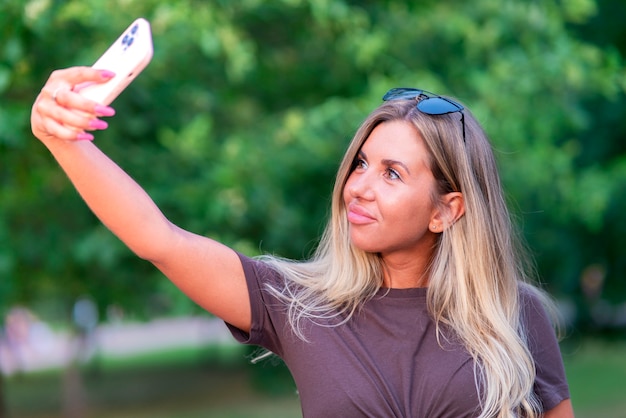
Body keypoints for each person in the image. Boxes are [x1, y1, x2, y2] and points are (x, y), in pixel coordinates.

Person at [31, 67, 573, 418]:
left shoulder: (513, 313)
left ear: (445, 210)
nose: (357, 186)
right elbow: (159, 240)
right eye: (360, 163)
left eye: (391, 174)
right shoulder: (300, 303)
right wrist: (64, 140)